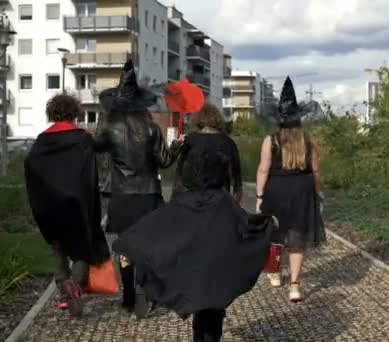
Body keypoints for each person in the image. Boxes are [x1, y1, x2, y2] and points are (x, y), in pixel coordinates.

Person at [113, 102, 275, 342]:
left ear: (197, 121)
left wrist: (176, 217)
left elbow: (179, 183)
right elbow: (236, 186)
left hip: (189, 208)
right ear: (218, 121)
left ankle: (198, 328)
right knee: (216, 273)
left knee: (193, 271)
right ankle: (211, 329)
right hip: (220, 211)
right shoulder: (227, 143)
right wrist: (233, 215)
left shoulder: (188, 142)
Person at [94, 60, 178, 317]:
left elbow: (95, 147)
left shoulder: (110, 128)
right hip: (148, 194)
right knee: (148, 245)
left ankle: (128, 294)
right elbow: (164, 162)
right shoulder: (151, 128)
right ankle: (144, 288)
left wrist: (102, 120)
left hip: (122, 195)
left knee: (124, 245)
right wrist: (176, 146)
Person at [24, 94, 110, 317]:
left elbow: (31, 165)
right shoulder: (81, 138)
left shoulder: (42, 140)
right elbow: (92, 166)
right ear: (75, 113)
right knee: (81, 249)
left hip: (50, 205)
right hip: (77, 204)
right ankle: (77, 284)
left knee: (58, 247)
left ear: (52, 113)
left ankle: (63, 284)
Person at [255, 77, 326, 302]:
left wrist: (259, 196)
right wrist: (318, 193)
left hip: (276, 190)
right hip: (302, 193)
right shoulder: (308, 141)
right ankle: (294, 286)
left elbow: (263, 170)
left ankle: (275, 274)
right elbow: (315, 171)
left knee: (275, 234)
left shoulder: (271, 140)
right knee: (297, 237)